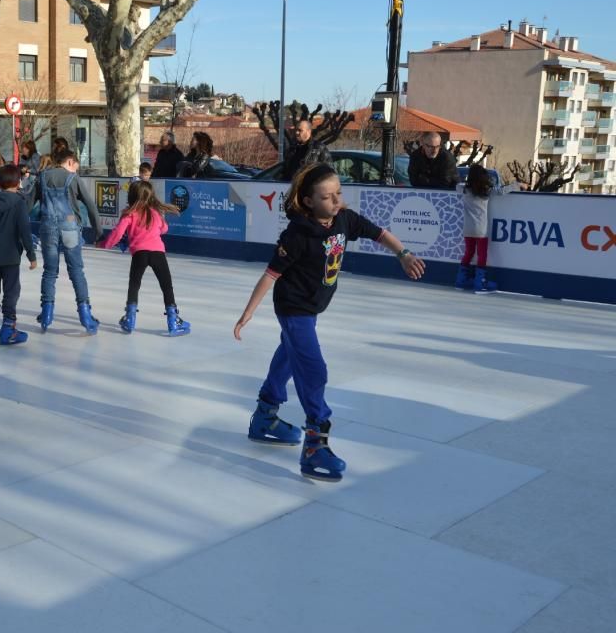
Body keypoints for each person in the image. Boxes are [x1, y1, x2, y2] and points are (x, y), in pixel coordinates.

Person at [233, 163, 425, 482]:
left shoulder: (344, 219)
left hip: (311, 307)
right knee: (313, 370)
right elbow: (271, 274)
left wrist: (402, 254)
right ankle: (314, 445)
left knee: (289, 357)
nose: (336, 201)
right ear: (308, 201)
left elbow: (380, 233)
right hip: (293, 308)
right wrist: (248, 312)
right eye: (327, 197)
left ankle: (265, 417)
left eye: (338, 193)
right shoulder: (297, 234)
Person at [98, 180, 190, 336]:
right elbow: (164, 229)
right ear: (150, 196)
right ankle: (173, 320)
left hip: (139, 254)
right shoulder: (155, 212)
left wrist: (104, 245)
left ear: (132, 196)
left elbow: (117, 233)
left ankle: (130, 318)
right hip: (157, 253)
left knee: (134, 285)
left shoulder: (129, 214)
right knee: (166, 286)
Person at [31, 150, 102, 334]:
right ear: (70, 162)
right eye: (76, 166)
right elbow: (90, 205)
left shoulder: (42, 177)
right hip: (70, 227)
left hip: (48, 228)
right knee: (76, 271)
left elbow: (28, 203)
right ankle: (85, 315)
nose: (76, 170)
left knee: (49, 271)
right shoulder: (73, 178)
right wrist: (98, 231)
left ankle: (46, 313)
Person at [0, 164, 37, 345]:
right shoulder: (19, 203)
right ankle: (8, 328)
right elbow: (25, 231)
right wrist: (31, 255)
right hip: (10, 256)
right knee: (11, 291)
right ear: (18, 183)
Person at [456, 164, 520, 293]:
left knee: (468, 253)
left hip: (467, 229)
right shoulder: (486, 191)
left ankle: (461, 280)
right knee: (482, 254)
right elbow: (502, 190)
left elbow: (457, 185)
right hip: (481, 230)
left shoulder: (463, 189)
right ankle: (480, 282)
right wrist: (517, 185)